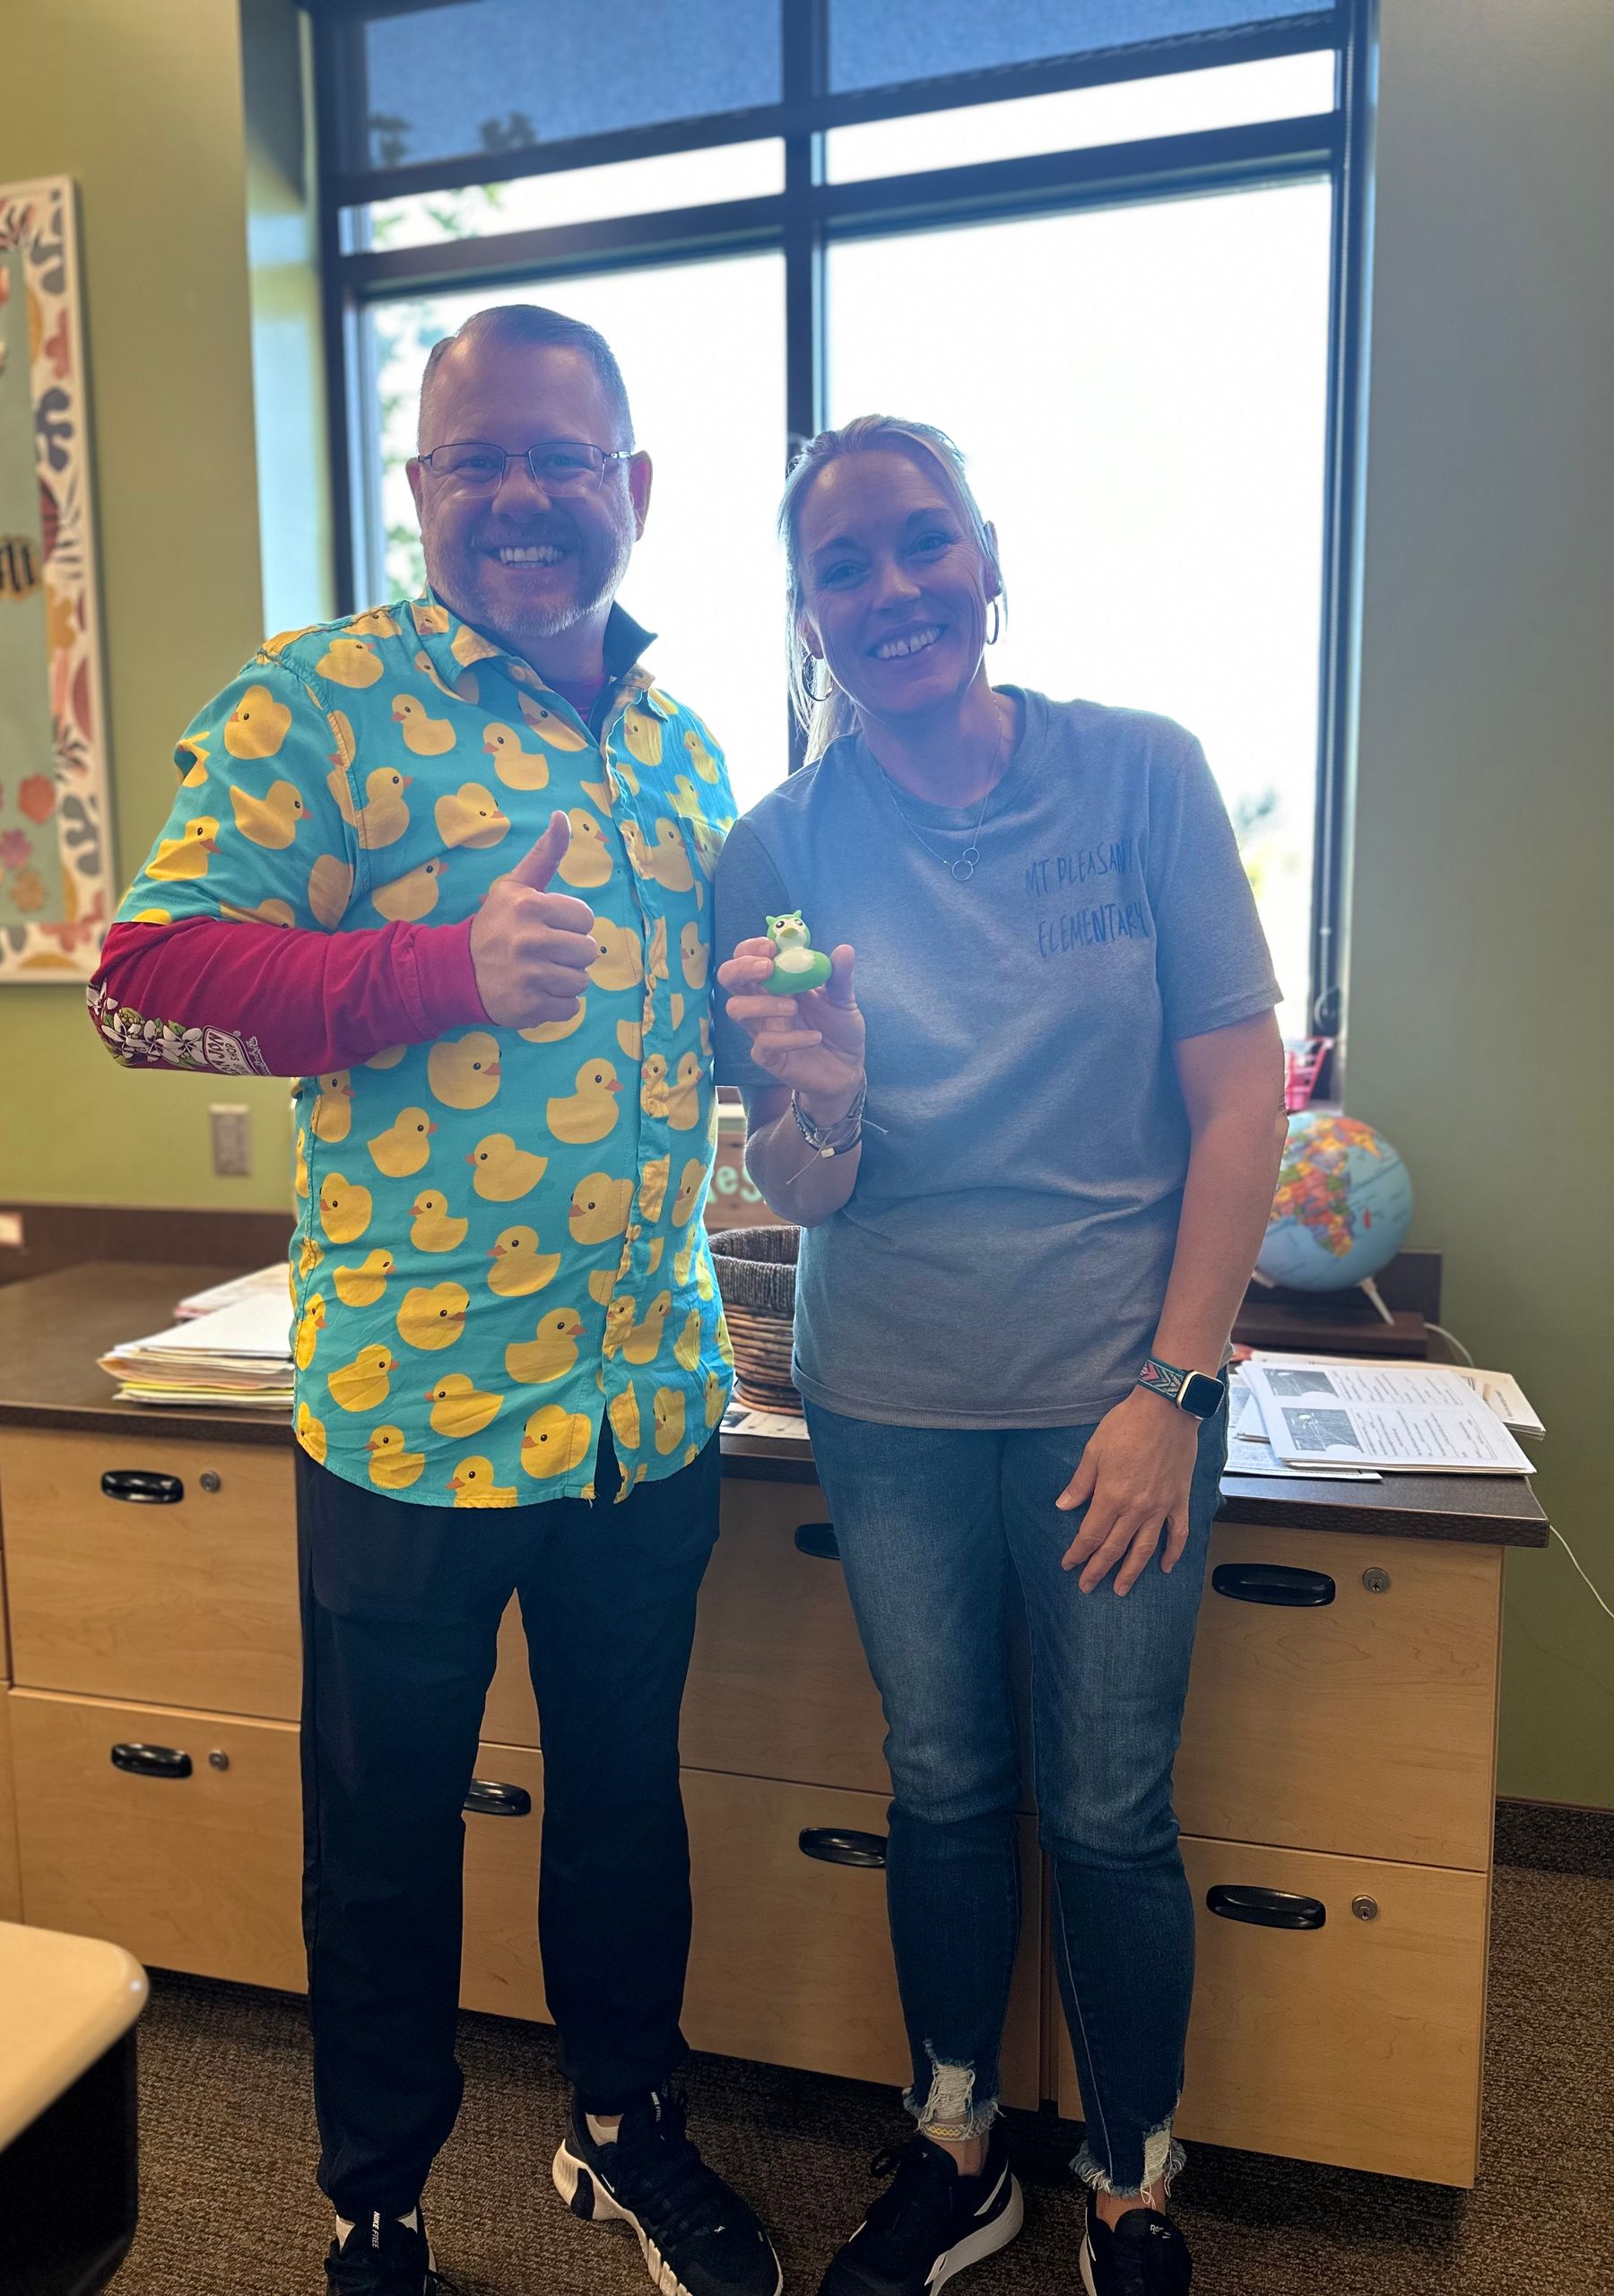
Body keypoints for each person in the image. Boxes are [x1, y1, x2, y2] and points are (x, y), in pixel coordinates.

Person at [89, 306, 778, 2296]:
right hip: (412, 1417)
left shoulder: (682, 744)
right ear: (419, 495)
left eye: (565, 457)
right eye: (477, 460)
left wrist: (787, 1055)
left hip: (644, 1405)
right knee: (385, 1842)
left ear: (635, 491)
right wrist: (434, 972)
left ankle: (627, 2127)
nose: (522, 497)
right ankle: (371, 2205)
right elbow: (140, 980)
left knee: (627, 1808)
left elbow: (685, 1056)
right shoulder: (327, 701)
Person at [714, 415, 1287, 2296]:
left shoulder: (1140, 776)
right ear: (806, 616)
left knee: (1112, 1802)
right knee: (944, 1779)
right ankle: (956, 2146)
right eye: (843, 570)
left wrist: (1171, 1394)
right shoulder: (780, 844)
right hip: (886, 1392)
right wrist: (823, 1102)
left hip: (1118, 1393)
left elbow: (1237, 1103)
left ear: (984, 557)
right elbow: (804, 1178)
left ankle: (1133, 2173)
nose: (890, 592)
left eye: (918, 545)